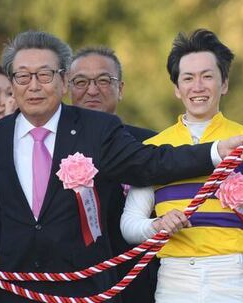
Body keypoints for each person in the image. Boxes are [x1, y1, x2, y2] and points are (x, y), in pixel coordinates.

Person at [0, 30, 243, 303]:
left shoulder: (96, 129)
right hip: (13, 290)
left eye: (45, 75)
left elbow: (152, 163)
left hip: (86, 290)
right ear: (12, 81)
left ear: (64, 80)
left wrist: (215, 150)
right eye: (23, 76)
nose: (33, 85)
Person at [121, 29, 243, 303]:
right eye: (188, 78)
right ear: (176, 88)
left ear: (224, 84)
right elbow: (129, 224)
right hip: (173, 282)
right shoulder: (154, 148)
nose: (198, 87)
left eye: (207, 76)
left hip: (230, 279)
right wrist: (157, 224)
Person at [67, 46, 158, 303]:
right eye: (81, 81)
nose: (92, 90)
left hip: (142, 280)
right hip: (77, 284)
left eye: (104, 80)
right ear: (68, 88)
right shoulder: (55, 147)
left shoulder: (149, 143)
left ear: (121, 88)